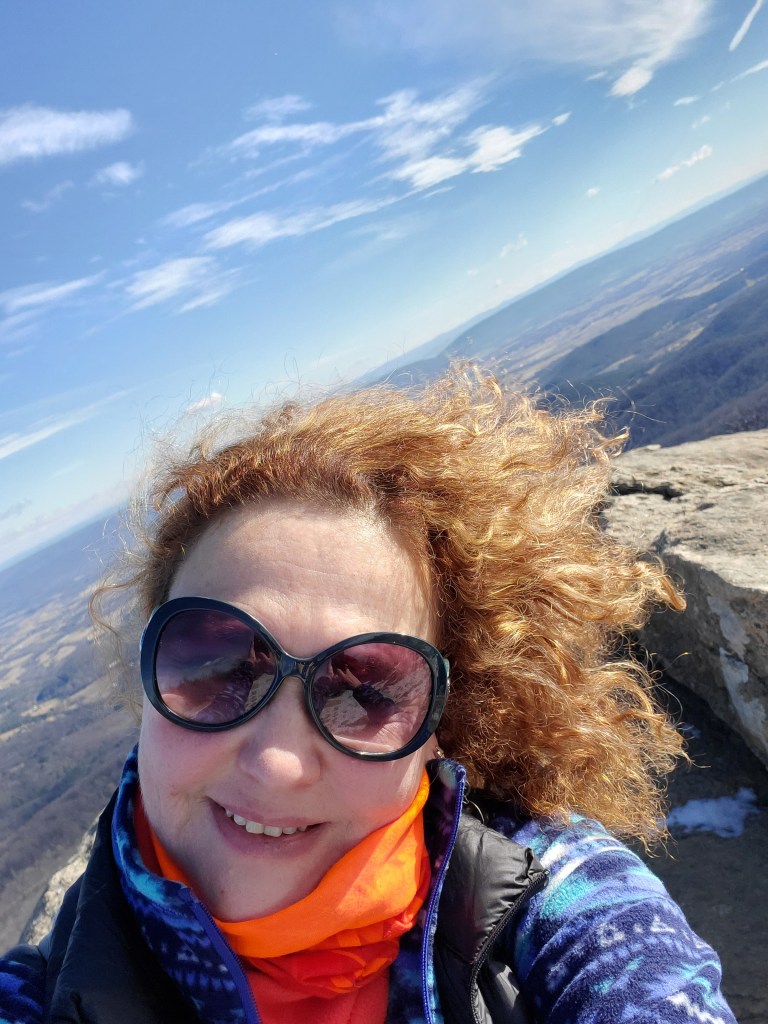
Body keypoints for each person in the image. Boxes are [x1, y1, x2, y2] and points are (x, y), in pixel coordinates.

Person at [0, 370, 737, 1023]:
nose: (278, 763)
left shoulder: (556, 898)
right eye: (220, 665)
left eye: (368, 690)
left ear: (441, 724)